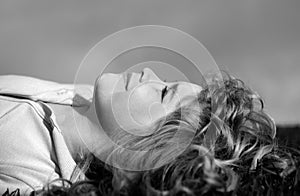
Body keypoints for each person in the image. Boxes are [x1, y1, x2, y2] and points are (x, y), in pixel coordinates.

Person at [0, 68, 299, 196]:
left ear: (151, 151)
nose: (150, 74)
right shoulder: (82, 97)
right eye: (167, 80)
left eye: (163, 92)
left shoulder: (30, 169)